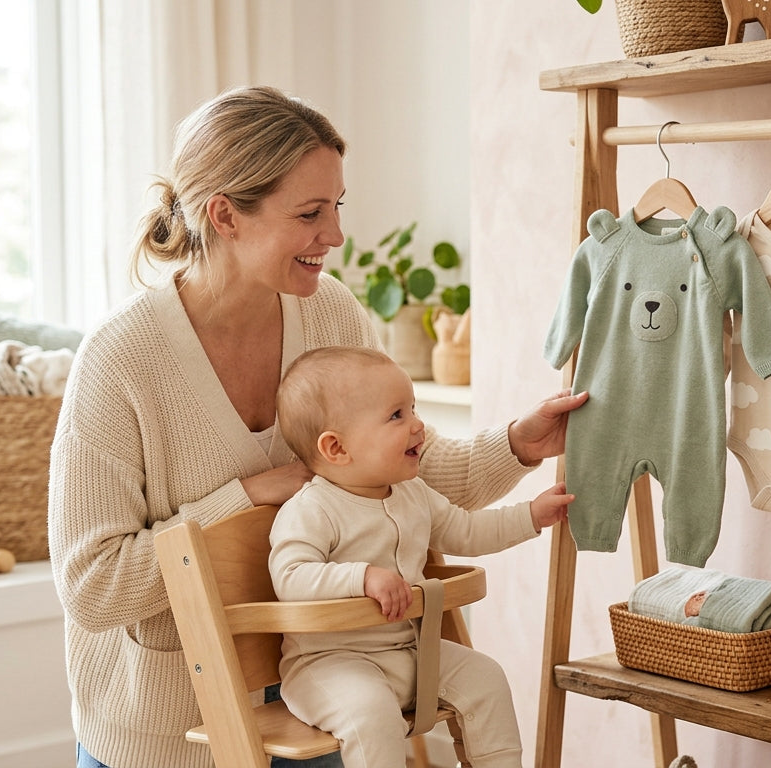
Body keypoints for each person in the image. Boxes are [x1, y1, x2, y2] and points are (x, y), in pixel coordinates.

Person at [47, 85, 587, 768]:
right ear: (225, 216)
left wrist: (517, 445)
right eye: (309, 213)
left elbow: (396, 469)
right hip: (165, 736)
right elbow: (92, 587)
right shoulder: (120, 360)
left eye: (336, 208)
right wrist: (242, 497)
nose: (333, 235)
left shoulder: (331, 313)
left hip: (321, 705)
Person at [269, 346, 571, 768]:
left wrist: (532, 516)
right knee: (370, 715)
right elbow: (291, 576)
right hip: (328, 666)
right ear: (336, 448)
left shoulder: (413, 494)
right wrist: (362, 577)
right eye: (397, 415)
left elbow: (467, 530)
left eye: (413, 408)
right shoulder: (311, 509)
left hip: (408, 652)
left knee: (486, 679)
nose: (418, 425)